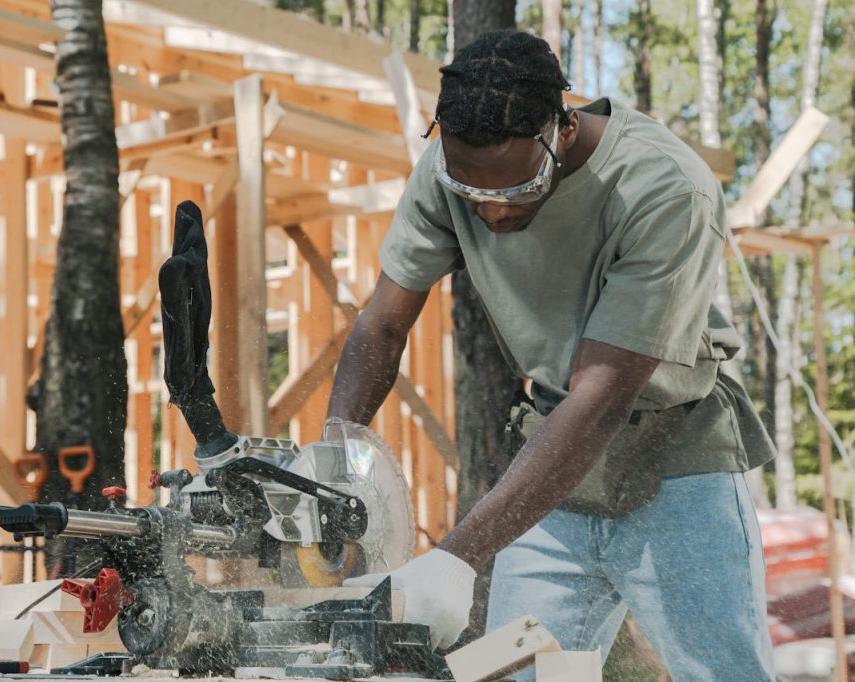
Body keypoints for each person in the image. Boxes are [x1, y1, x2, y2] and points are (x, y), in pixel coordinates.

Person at [331, 30, 776, 680]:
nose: (488, 207)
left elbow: (600, 398)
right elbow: (381, 327)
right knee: (519, 672)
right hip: (548, 467)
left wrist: (457, 557)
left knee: (726, 674)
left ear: (563, 128)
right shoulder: (447, 175)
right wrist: (336, 463)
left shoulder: (665, 190)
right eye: (467, 187)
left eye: (513, 191)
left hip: (677, 459)